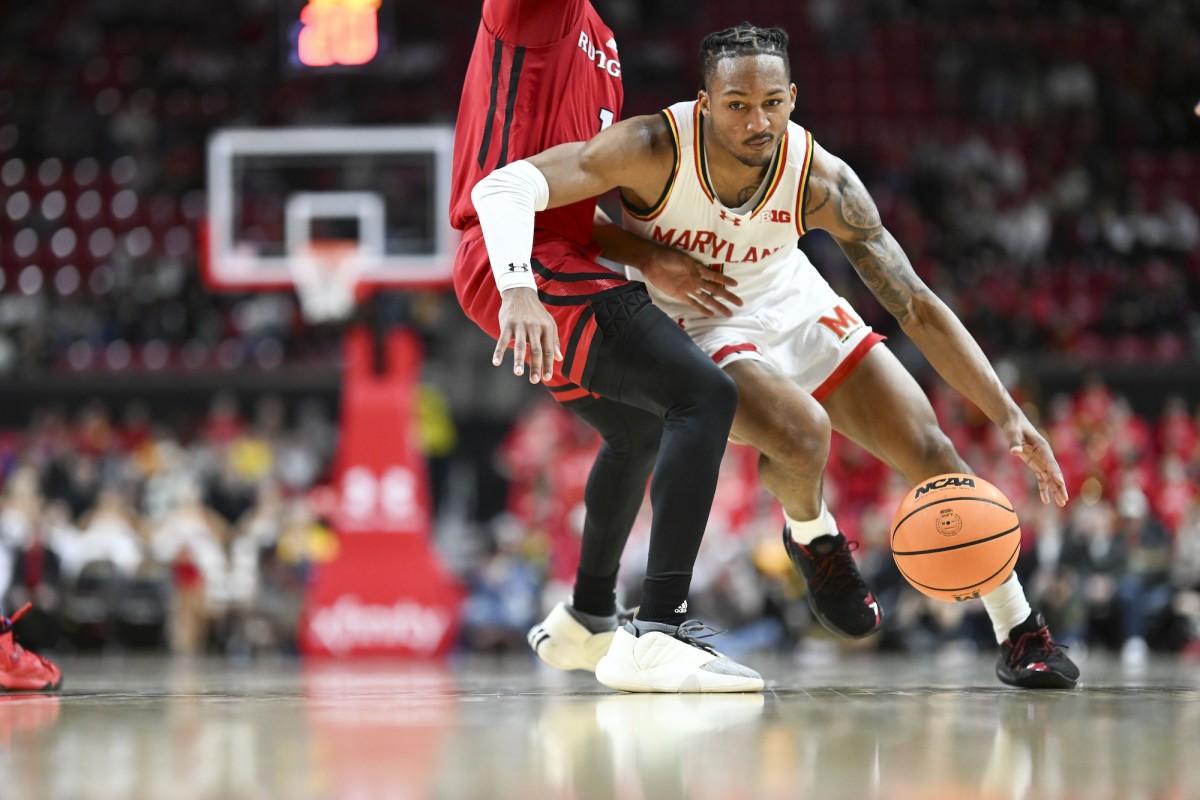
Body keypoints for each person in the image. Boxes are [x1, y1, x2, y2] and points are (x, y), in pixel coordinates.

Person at [474, 22, 1080, 689]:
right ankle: (814, 534)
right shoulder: (652, 147)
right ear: (706, 104)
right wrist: (600, 266)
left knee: (934, 453)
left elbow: (916, 305)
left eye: (772, 103)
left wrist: (1008, 415)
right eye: (736, 105)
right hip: (697, 314)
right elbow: (516, 190)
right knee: (802, 432)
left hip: (790, 295)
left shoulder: (823, 181)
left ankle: (1020, 630)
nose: (756, 121)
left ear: (792, 97)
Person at [451, 0, 762, 693]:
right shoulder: (538, 13)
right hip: (516, 259)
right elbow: (504, 194)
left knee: (643, 424)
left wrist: (646, 256)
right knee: (703, 395)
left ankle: (588, 618)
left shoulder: (605, 45)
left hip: (557, 255)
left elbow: (574, 203)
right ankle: (659, 631)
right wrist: (517, 286)